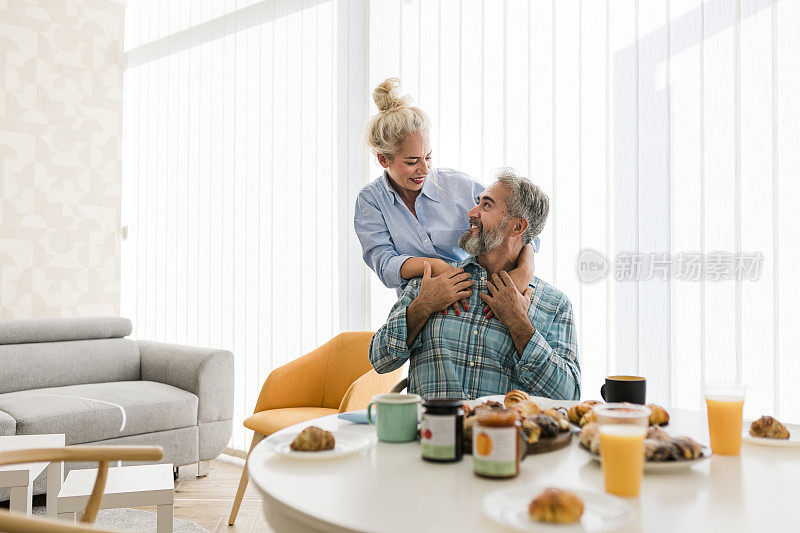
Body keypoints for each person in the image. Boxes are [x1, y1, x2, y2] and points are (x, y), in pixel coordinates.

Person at [368, 169, 580, 401]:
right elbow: (380, 360)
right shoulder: (430, 283)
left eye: (486, 206)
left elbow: (568, 395)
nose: (471, 212)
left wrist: (518, 322)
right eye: (477, 203)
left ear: (517, 227)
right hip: (433, 435)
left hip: (502, 436)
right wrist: (422, 307)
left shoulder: (554, 305)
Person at [354, 78, 539, 315]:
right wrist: (437, 266)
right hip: (421, 307)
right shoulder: (370, 201)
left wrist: (525, 271)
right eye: (412, 162)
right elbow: (385, 265)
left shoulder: (459, 186)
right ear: (383, 159)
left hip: (477, 298)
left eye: (428, 157)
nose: (424, 169)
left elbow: (521, 227)